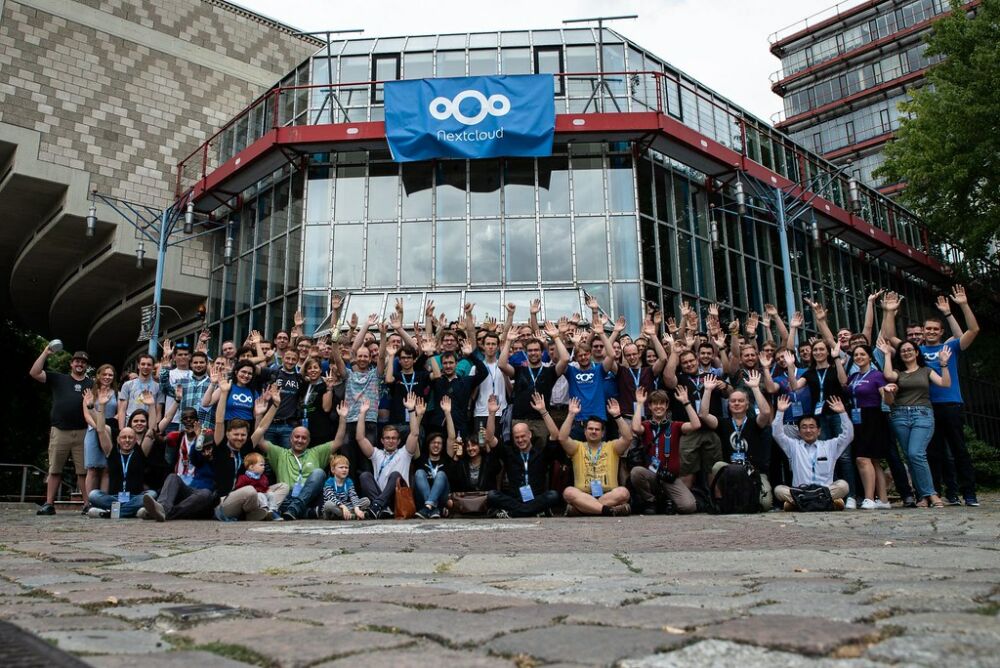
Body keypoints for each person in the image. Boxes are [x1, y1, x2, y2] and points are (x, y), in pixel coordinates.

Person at [921, 286, 980, 506]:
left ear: (941, 332)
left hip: (951, 404)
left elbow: (973, 330)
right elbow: (890, 338)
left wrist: (959, 307)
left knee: (959, 450)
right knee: (934, 453)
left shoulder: (951, 347)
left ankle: (969, 494)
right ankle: (938, 493)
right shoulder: (917, 352)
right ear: (924, 331)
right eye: (928, 329)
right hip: (928, 407)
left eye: (935, 329)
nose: (932, 332)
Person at [879, 338, 950, 508]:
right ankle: (922, 496)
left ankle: (931, 494)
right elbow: (888, 375)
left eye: (910, 349)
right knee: (910, 458)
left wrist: (944, 364)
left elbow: (945, 383)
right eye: (903, 350)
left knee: (916, 453)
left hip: (922, 414)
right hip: (900, 416)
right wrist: (887, 354)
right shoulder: (899, 373)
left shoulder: (926, 371)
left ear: (917, 352)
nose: (906, 352)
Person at [29, 345, 93, 515]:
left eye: (83, 362)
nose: (80, 364)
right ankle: (49, 504)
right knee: (55, 469)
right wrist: (45, 353)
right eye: (77, 361)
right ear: (71, 363)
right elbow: (34, 373)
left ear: (86, 366)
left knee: (83, 471)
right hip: (60, 430)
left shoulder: (91, 383)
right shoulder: (59, 378)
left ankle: (87, 504)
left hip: (83, 431)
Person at [212, 379, 287, 521]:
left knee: (282, 487)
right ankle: (257, 512)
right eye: (236, 434)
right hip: (225, 501)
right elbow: (219, 421)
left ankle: (261, 512)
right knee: (250, 490)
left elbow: (261, 428)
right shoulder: (220, 446)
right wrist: (223, 393)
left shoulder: (246, 447)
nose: (239, 438)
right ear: (228, 434)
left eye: (243, 435)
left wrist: (275, 405)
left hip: (249, 498)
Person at [699, 371, 774, 511]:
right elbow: (703, 415)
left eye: (741, 401)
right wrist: (708, 390)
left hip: (753, 471)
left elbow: (766, 413)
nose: (737, 403)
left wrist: (755, 388)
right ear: (728, 405)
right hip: (730, 471)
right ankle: (720, 501)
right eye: (733, 401)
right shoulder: (723, 423)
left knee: (765, 504)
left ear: (747, 405)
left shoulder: (754, 423)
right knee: (717, 467)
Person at [84, 386, 157, 518]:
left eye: (130, 438)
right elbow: (100, 430)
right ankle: (133, 512)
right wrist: (101, 405)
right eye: (124, 437)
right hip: (113, 497)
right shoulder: (111, 452)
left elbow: (151, 431)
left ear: (135, 440)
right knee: (93, 495)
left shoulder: (140, 452)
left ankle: (109, 513)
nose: (127, 440)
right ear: (118, 439)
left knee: (151, 494)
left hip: (134, 496)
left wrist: (151, 406)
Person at [486, 393, 563, 518]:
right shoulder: (509, 453)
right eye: (517, 437)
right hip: (515, 499)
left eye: (523, 436)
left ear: (530, 435)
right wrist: (491, 414)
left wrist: (543, 411)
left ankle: (513, 513)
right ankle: (534, 512)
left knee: (553, 495)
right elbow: (489, 438)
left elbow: (555, 435)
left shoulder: (541, 452)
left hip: (537, 498)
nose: (520, 440)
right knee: (492, 495)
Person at [772, 395, 854, 511]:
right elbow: (777, 434)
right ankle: (826, 503)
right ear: (799, 432)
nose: (808, 430)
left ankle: (800, 504)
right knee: (779, 490)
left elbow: (848, 435)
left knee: (843, 486)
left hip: (824, 490)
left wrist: (843, 413)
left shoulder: (830, 445)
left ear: (819, 430)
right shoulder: (793, 446)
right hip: (801, 490)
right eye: (804, 427)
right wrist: (780, 411)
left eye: (812, 427)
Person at [556, 396, 633, 516]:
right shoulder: (577, 447)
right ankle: (606, 510)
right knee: (568, 492)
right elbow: (562, 438)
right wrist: (571, 414)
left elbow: (628, 438)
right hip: (583, 494)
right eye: (590, 429)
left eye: (597, 429)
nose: (593, 431)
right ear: (585, 431)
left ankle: (584, 509)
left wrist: (617, 416)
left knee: (623, 493)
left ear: (602, 433)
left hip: (608, 494)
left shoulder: (612, 446)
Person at [629, 387, 700, 515]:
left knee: (689, 506)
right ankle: (651, 501)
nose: (658, 407)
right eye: (654, 403)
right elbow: (635, 428)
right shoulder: (646, 425)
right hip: (651, 475)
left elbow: (696, 425)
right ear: (649, 406)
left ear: (667, 405)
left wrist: (686, 402)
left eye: (662, 403)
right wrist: (640, 404)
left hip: (669, 478)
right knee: (636, 472)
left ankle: (667, 500)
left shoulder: (675, 426)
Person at [356, 394, 424, 519]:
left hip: (399, 499)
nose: (390, 441)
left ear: (399, 441)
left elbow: (414, 434)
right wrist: (362, 414)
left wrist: (411, 410)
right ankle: (382, 507)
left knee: (395, 475)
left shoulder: (405, 452)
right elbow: (360, 438)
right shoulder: (377, 454)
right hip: (380, 497)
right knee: (365, 476)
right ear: (382, 441)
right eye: (387, 438)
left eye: (394, 438)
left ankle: (378, 506)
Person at [846, 345, 895, 509]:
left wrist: (888, 392)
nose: (859, 357)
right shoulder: (853, 376)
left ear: (869, 357)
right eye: (856, 354)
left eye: (862, 354)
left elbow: (888, 401)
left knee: (862, 458)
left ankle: (869, 498)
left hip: (872, 417)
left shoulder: (877, 376)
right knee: (873, 461)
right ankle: (883, 500)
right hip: (857, 418)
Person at [499, 329, 558, 451]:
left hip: (541, 421)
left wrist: (556, 337)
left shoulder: (550, 371)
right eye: (530, 350)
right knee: (519, 455)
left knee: (540, 456)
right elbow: (502, 364)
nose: (533, 353)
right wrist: (509, 341)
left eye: (536, 350)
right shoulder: (520, 370)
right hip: (519, 420)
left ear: (542, 353)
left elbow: (565, 359)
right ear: (526, 353)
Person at [82, 363, 116, 510]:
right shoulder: (90, 392)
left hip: (109, 430)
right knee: (92, 469)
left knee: (106, 468)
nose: (107, 377)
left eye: (110, 375)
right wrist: (98, 427)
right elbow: (86, 414)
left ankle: (103, 502)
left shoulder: (116, 392)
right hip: (92, 430)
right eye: (105, 374)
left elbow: (119, 412)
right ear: (98, 375)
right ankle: (89, 503)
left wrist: (106, 428)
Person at [263, 348, 305, 447]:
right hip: (269, 424)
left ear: (297, 360)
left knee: (287, 459)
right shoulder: (272, 373)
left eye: (294, 359)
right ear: (282, 358)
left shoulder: (300, 379)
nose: (290, 362)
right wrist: (264, 358)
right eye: (288, 358)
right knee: (269, 459)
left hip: (288, 426)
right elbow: (251, 367)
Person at [117, 354, 161, 429]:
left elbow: (158, 411)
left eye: (149, 364)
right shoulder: (127, 385)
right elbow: (122, 410)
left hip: (148, 424)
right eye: (143, 364)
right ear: (138, 366)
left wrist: (154, 431)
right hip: (130, 424)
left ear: (153, 367)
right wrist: (121, 429)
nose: (146, 367)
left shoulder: (158, 387)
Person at [321, 454, 370, 520]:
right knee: (328, 504)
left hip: (346, 506)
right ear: (333, 470)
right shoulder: (329, 482)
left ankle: (348, 515)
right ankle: (353, 516)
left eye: (346, 467)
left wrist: (356, 508)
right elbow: (331, 498)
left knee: (366, 500)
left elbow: (353, 496)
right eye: (341, 467)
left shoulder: (349, 481)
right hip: (334, 508)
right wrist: (343, 507)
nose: (344, 470)